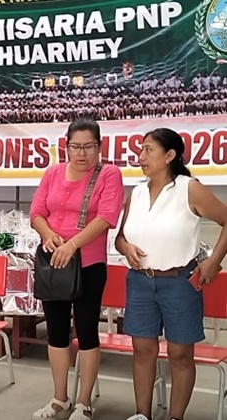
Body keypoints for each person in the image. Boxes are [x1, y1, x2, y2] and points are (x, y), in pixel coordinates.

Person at [115, 128, 227, 420]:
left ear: (170, 155)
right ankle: (142, 414)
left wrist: (214, 261)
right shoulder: (137, 193)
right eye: (141, 149)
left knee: (180, 354)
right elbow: (120, 238)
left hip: (179, 283)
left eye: (148, 150)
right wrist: (125, 247)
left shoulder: (189, 189)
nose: (141, 156)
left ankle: (176, 416)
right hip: (140, 282)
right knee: (142, 350)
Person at [29, 118, 124, 419]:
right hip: (53, 264)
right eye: (76, 147)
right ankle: (60, 398)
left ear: (100, 146)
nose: (82, 154)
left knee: (86, 331)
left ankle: (84, 402)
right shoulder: (53, 172)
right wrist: (48, 234)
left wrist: (72, 245)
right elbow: (37, 212)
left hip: (88, 265)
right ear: (66, 146)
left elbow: (106, 218)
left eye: (89, 147)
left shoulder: (109, 174)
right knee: (56, 331)